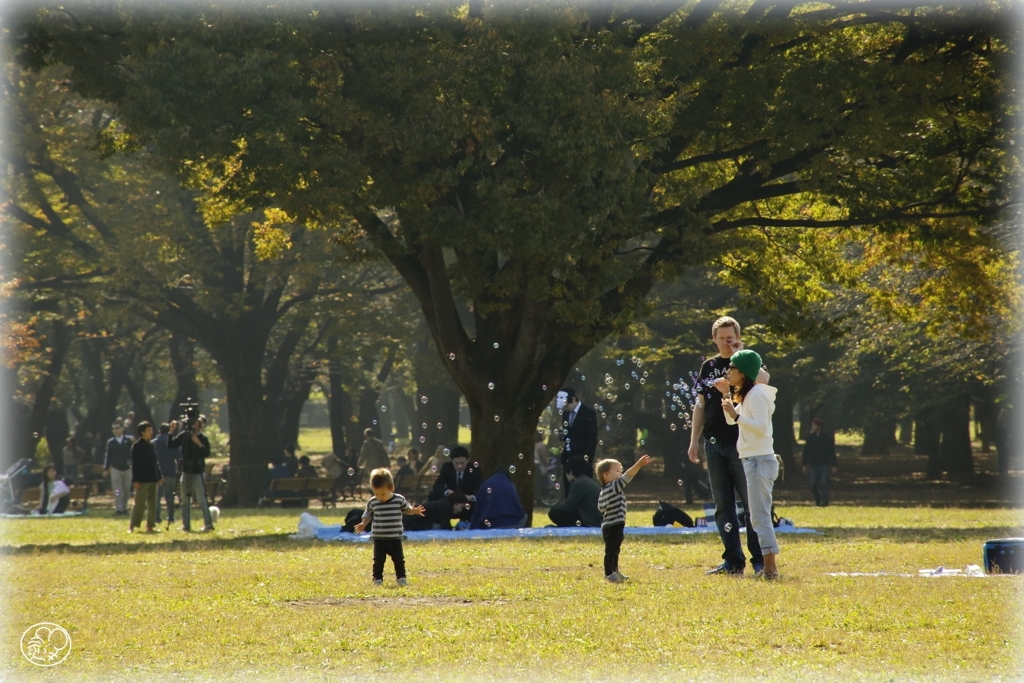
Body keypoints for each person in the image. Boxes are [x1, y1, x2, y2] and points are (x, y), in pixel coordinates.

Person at [686, 316, 768, 576]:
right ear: (713, 339)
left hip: (741, 444)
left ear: (737, 336)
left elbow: (765, 380)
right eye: (720, 338)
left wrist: (739, 351)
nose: (725, 342)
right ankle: (733, 561)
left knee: (750, 503)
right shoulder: (708, 366)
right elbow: (699, 406)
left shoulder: (745, 362)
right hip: (713, 443)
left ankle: (759, 560)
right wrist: (693, 440)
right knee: (723, 505)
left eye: (729, 337)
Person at [717, 349, 781, 580]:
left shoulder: (757, 395)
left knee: (760, 516)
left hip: (759, 460)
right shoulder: (747, 395)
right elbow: (732, 420)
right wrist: (726, 396)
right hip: (752, 459)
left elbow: (761, 427)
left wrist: (736, 416)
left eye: (732, 368)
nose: (728, 372)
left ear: (742, 372)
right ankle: (769, 567)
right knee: (757, 515)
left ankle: (771, 569)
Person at [353, 468, 425, 586]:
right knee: (378, 561)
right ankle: (377, 578)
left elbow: (407, 509)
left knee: (399, 560)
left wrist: (414, 511)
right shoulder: (373, 502)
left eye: (383, 494)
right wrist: (363, 523)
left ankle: (401, 578)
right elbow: (368, 514)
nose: (379, 497)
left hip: (395, 537)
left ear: (391, 488)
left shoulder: (398, 500)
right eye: (376, 493)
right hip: (379, 538)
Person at [595, 454, 652, 583]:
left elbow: (600, 508)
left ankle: (615, 570)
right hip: (612, 526)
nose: (621, 473)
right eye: (617, 470)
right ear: (606, 475)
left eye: (620, 470)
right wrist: (638, 464)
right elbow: (628, 476)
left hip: (613, 525)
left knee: (615, 549)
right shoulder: (612, 487)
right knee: (611, 551)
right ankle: (609, 573)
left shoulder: (605, 490)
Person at [168, 417, 213, 532]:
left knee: (201, 499)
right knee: (184, 501)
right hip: (186, 470)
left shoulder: (203, 438)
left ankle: (208, 524)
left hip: (197, 471)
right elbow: (171, 445)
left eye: (195, 422)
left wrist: (199, 444)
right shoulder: (184, 436)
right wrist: (171, 432)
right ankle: (186, 525)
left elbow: (206, 453)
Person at [556, 387, 598, 494]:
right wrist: (562, 434)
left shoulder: (588, 413)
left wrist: (588, 458)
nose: (566, 408)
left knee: (582, 489)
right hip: (568, 456)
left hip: (581, 456)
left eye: (567, 404)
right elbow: (567, 435)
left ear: (574, 399)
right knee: (568, 489)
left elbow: (592, 437)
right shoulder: (566, 414)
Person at [129, 422, 163, 533]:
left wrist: (159, 476)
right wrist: (135, 479)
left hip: (153, 477)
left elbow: (155, 462)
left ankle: (150, 526)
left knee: (153, 503)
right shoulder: (137, 446)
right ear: (142, 432)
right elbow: (135, 464)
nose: (151, 433)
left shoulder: (151, 445)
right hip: (142, 479)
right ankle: (133, 525)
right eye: (149, 430)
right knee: (139, 503)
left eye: (151, 430)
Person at [547, 457, 602, 527]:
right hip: (596, 518)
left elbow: (567, 507)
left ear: (570, 472)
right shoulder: (586, 481)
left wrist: (554, 507)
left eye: (566, 473)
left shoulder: (578, 484)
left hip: (590, 520)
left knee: (554, 512)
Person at [428, 446, 482, 517]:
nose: (459, 466)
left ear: (467, 460)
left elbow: (481, 487)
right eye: (456, 463)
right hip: (451, 499)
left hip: (467, 499)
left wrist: (471, 497)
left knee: (480, 499)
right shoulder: (447, 467)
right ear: (452, 460)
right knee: (433, 494)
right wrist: (448, 492)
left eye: (462, 463)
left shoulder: (474, 469)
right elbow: (437, 485)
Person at [802, 417, 837, 507]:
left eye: (814, 425)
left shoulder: (826, 438)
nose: (812, 427)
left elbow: (831, 452)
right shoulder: (810, 438)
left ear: (819, 427)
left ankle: (824, 502)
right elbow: (806, 451)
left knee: (824, 484)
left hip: (824, 464)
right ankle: (818, 500)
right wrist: (804, 464)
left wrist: (834, 465)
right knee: (812, 484)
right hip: (813, 465)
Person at [103, 419, 133, 516]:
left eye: (117, 428)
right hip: (116, 469)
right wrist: (106, 468)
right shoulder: (111, 442)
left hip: (127, 468)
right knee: (117, 490)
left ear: (123, 429)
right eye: (113, 429)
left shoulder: (129, 440)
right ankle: (118, 508)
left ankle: (124, 507)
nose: (115, 430)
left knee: (126, 489)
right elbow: (108, 456)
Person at [153, 423, 179, 525]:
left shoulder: (154, 443)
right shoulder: (173, 443)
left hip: (157, 473)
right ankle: (171, 517)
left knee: (157, 496)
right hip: (170, 471)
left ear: (159, 431)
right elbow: (178, 456)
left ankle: (157, 517)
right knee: (170, 496)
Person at [404, 492, 469, 531]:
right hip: (411, 520)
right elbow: (445, 526)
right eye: (461, 507)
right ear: (456, 503)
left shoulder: (445, 504)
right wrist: (456, 529)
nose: (460, 510)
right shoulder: (445, 506)